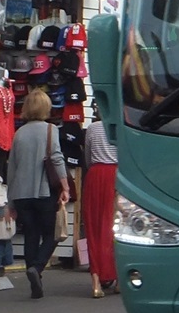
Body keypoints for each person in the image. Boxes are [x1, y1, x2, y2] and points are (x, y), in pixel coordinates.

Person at [6, 87, 69, 299]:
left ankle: (34, 278)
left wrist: (10, 202)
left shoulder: (18, 134)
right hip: (43, 192)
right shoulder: (50, 130)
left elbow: (11, 168)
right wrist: (65, 186)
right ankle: (38, 268)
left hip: (21, 194)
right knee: (52, 234)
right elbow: (57, 158)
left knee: (30, 235)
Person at [81, 105, 119, 297]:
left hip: (95, 176)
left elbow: (87, 158)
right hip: (115, 175)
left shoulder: (92, 128)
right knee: (116, 226)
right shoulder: (118, 126)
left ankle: (96, 282)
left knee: (94, 228)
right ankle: (119, 278)